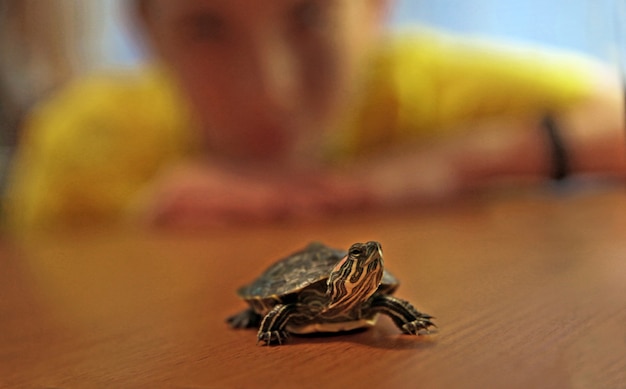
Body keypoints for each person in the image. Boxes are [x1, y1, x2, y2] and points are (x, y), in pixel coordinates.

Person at [3, 0, 625, 230]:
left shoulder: (418, 83)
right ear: (146, 30)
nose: (272, 91)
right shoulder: (82, 132)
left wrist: (434, 165)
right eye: (206, 27)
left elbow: (613, 113)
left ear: (376, 11)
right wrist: (141, 217)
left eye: (309, 17)